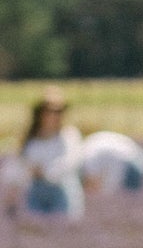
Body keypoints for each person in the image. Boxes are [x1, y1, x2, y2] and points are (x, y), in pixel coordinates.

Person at [6, 88, 85, 217]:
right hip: (35, 193)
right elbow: (18, 166)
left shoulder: (69, 135)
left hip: (62, 192)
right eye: (50, 111)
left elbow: (70, 162)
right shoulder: (31, 139)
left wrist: (45, 172)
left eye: (59, 111)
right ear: (40, 113)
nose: (54, 116)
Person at [80, 129, 143, 195]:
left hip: (132, 165)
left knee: (132, 200)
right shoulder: (88, 146)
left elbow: (93, 182)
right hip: (140, 158)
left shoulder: (87, 158)